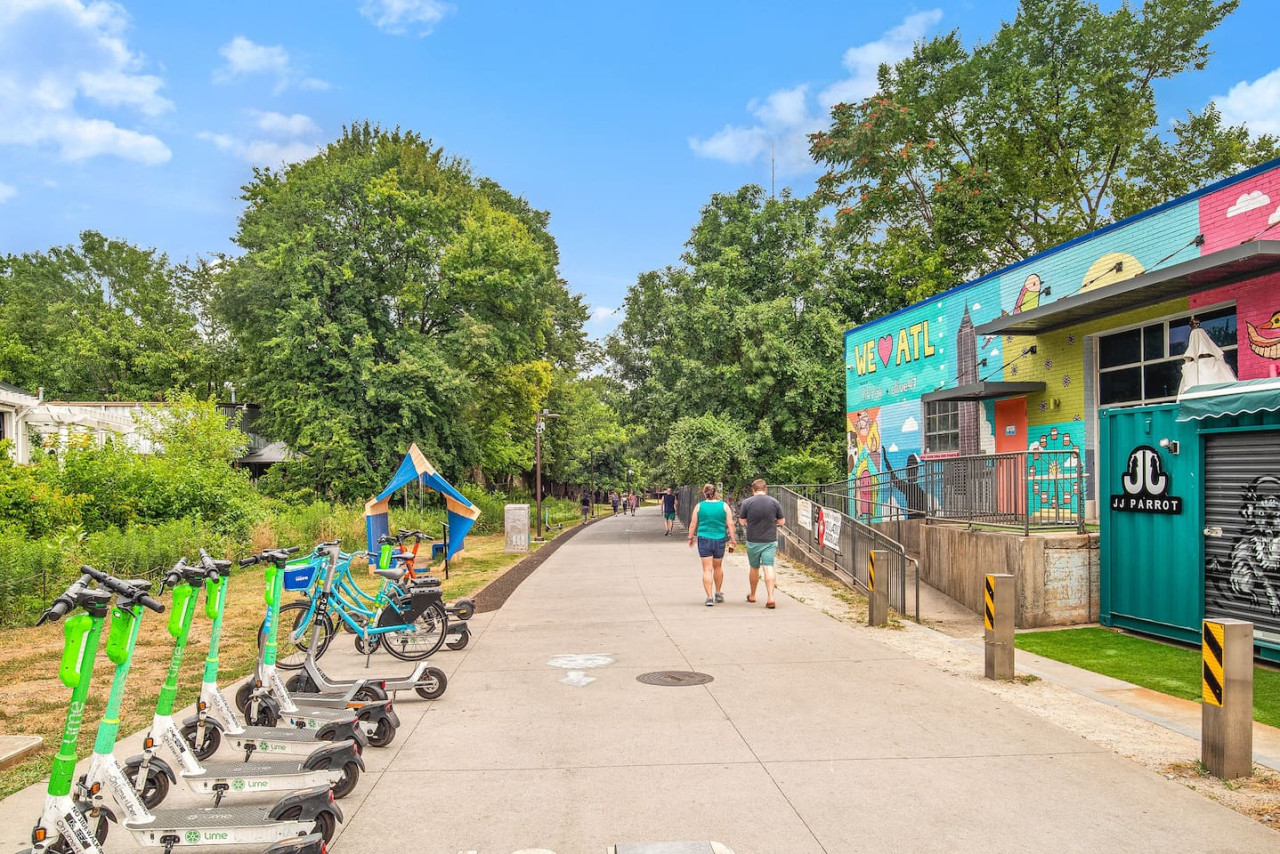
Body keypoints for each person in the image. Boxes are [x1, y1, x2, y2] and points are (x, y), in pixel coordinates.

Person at [738, 478, 785, 609]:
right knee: (768, 566)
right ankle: (770, 597)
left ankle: (753, 595)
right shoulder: (774, 502)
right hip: (769, 540)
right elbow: (782, 521)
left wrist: (750, 522)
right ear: (765, 489)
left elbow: (742, 521)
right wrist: (772, 522)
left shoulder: (747, 502)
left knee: (754, 567)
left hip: (753, 540)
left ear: (753, 490)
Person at [688, 483, 737, 606]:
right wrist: (733, 539)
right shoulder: (724, 506)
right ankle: (718, 592)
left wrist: (690, 537)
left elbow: (693, 524)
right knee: (718, 567)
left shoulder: (699, 506)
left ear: (704, 493)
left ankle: (709, 597)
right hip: (719, 539)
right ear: (715, 493)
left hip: (704, 538)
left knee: (707, 569)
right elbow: (730, 524)